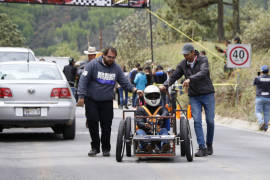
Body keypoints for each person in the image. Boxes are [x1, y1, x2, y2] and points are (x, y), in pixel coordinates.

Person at [77, 46, 137, 157]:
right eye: (109, 57)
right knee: (92, 122)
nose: (111, 59)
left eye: (113, 58)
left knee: (106, 126)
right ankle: (95, 147)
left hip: (107, 102)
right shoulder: (92, 65)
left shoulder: (116, 68)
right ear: (103, 55)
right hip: (92, 100)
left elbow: (124, 82)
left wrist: (133, 89)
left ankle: (106, 148)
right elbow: (83, 81)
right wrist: (81, 97)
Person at [160, 43, 215, 157]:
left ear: (192, 52)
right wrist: (165, 85)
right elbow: (174, 76)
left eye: (187, 54)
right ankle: (202, 147)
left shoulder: (203, 60)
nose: (185, 57)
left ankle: (209, 144)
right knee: (197, 121)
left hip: (207, 94)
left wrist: (190, 79)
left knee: (210, 121)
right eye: (184, 55)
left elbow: (203, 72)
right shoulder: (183, 64)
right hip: (194, 96)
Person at [135, 85, 170, 153]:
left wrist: (161, 117)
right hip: (145, 131)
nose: (153, 98)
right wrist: (145, 124)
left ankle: (164, 145)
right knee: (139, 132)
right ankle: (147, 146)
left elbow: (166, 113)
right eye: (151, 96)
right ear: (146, 96)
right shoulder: (141, 109)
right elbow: (139, 121)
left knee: (164, 130)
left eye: (155, 96)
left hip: (158, 131)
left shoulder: (161, 108)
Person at [253, 65, 270, 132]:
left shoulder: (258, 78)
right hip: (268, 98)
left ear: (261, 71)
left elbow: (254, 84)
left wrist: (259, 75)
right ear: (268, 71)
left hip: (259, 97)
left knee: (258, 111)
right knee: (267, 113)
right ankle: (265, 127)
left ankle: (261, 122)